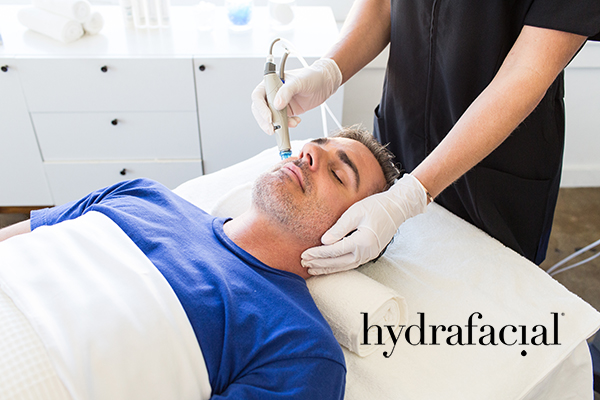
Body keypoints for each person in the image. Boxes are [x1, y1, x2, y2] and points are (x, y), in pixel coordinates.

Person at [0, 128, 399, 399]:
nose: (309, 152)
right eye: (317, 144)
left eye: (337, 173)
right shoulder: (142, 194)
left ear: (352, 235)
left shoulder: (300, 347)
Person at [251, 0, 600, 274]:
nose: (309, 153)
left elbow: (527, 70)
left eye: (338, 173)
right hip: (402, 126)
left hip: (496, 165)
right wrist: (329, 70)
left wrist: (412, 194)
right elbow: (384, 4)